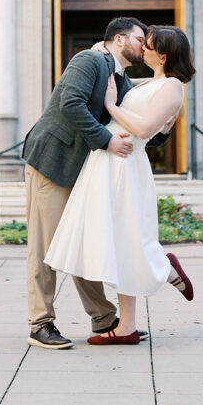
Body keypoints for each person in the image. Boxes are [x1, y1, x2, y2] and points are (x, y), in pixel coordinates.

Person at [21, 17, 171, 350]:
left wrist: (162, 128)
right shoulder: (88, 59)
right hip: (54, 162)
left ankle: (103, 317)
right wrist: (106, 141)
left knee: (84, 242)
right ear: (118, 39)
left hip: (85, 172)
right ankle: (40, 323)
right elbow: (69, 103)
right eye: (139, 39)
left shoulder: (124, 80)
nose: (144, 45)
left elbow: (133, 124)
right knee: (44, 248)